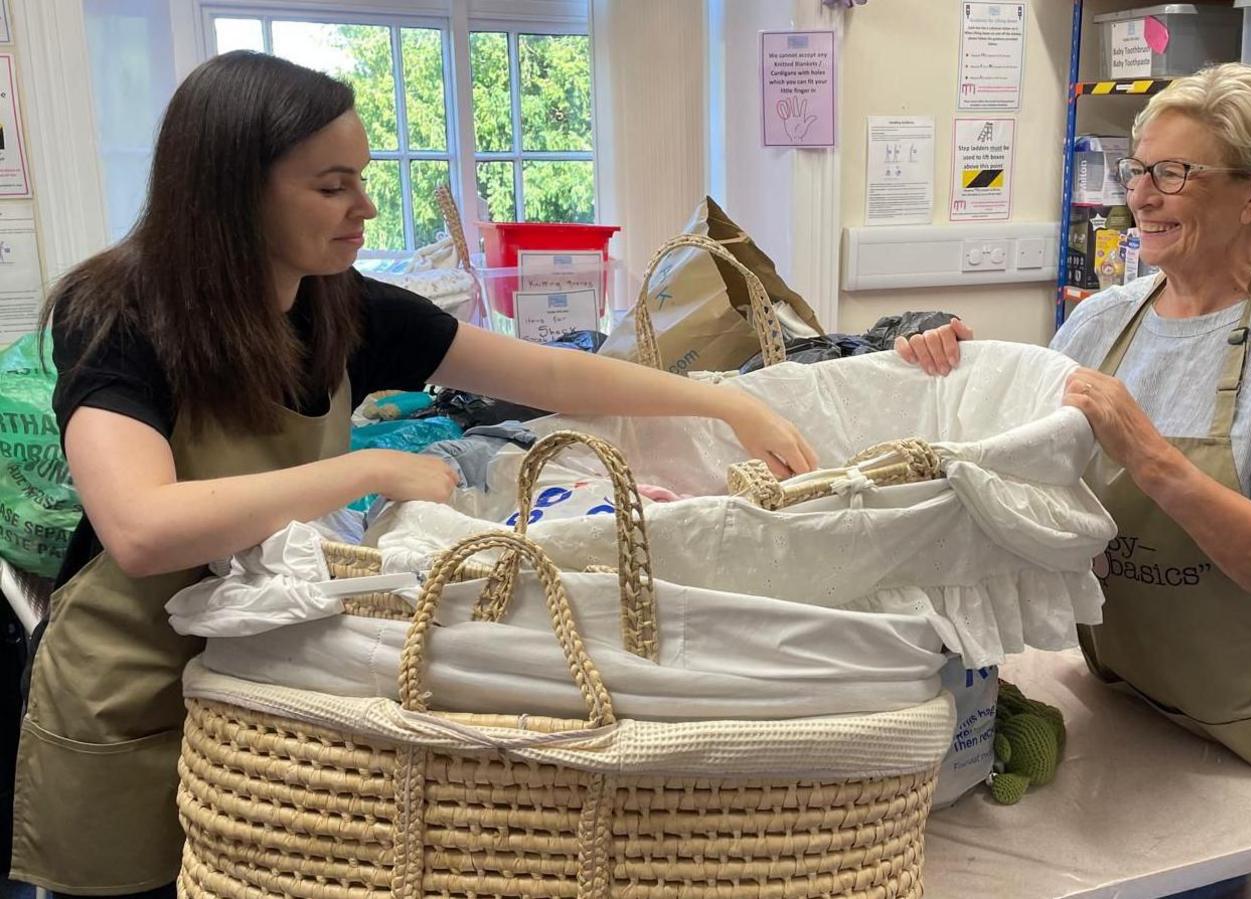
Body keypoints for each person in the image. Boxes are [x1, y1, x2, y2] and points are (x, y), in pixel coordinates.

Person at [8, 51, 816, 898]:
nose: (365, 205)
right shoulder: (117, 314)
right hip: (135, 700)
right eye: (331, 186)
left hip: (267, 695)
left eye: (360, 176)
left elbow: (549, 375)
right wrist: (367, 468)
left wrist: (725, 406)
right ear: (230, 192)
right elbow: (141, 527)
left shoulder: (340, 306)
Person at [900, 64, 1251, 819]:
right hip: (1126, 694)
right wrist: (955, 376)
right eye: (1137, 169)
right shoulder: (1103, 319)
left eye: (1173, 173)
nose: (1141, 196)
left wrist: (1147, 451)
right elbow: (1023, 476)